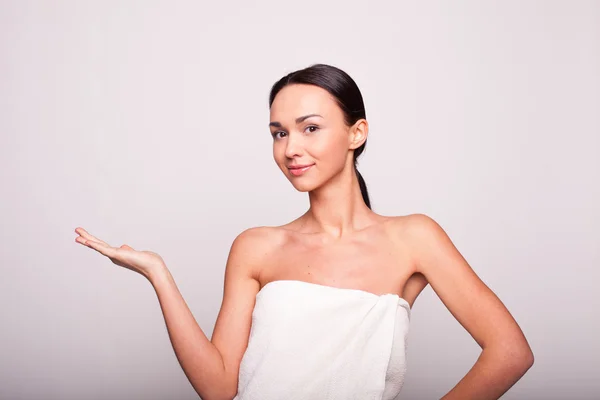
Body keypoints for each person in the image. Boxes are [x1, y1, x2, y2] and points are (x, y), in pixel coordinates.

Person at [75, 63, 534, 400]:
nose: (291, 148)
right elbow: (218, 387)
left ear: (357, 133)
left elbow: (509, 352)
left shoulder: (413, 238)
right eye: (279, 133)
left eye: (310, 128)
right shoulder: (256, 246)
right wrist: (158, 274)